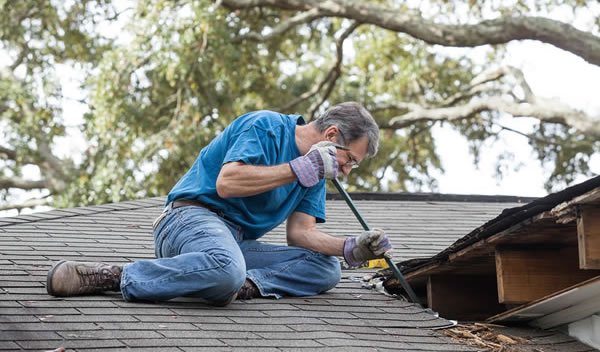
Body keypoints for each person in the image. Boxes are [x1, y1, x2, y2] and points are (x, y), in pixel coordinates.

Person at [46, 102, 393, 305]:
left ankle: (235, 283)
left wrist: (352, 248)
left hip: (234, 243)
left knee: (326, 268)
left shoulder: (317, 173)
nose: (346, 170)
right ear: (331, 135)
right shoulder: (266, 126)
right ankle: (113, 276)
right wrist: (296, 169)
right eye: (350, 159)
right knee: (226, 267)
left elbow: (301, 235)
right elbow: (227, 184)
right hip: (189, 220)